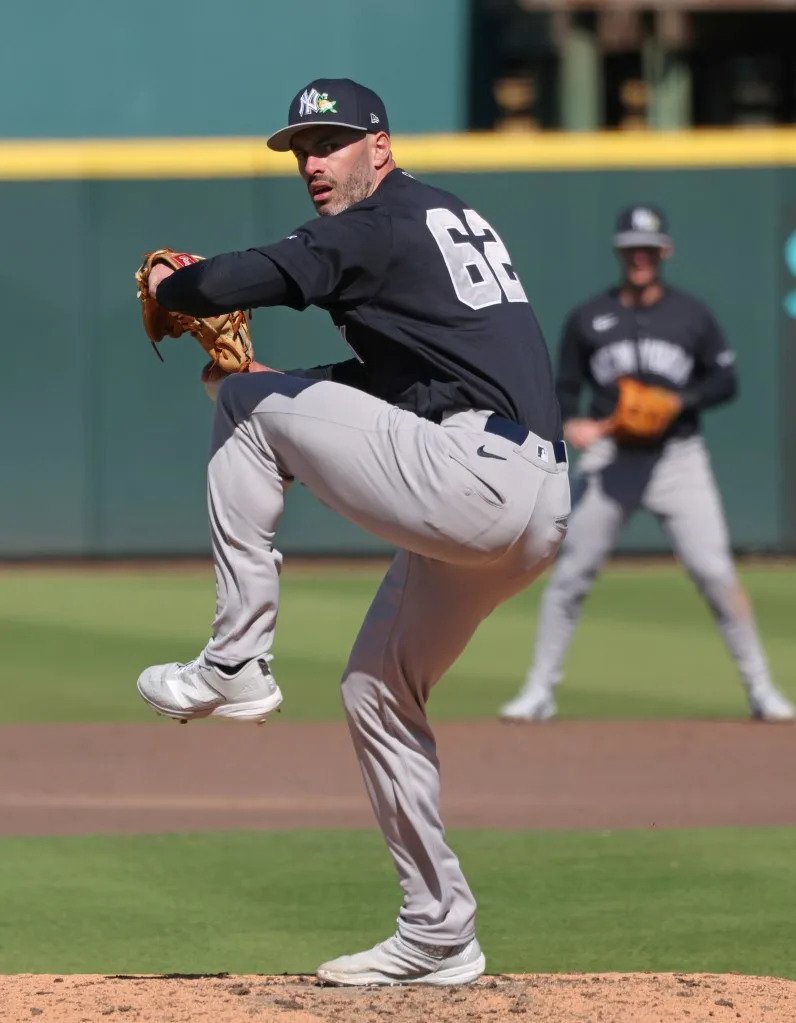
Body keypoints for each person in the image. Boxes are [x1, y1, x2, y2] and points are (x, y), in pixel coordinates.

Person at [136, 78, 570, 985]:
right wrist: (278, 380)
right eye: (301, 148)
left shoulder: (376, 221)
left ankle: (234, 660)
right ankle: (439, 929)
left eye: (329, 142)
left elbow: (261, 272)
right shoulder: (435, 220)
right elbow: (407, 380)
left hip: (478, 478)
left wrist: (183, 285)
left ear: (379, 144)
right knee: (376, 687)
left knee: (246, 403)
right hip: (529, 498)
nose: (313, 163)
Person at [499, 204, 794, 725]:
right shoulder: (590, 317)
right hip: (612, 461)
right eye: (632, 249)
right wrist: (573, 424)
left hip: (678, 460)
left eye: (649, 249)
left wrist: (680, 401)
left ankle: (762, 690)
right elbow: (563, 387)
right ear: (620, 252)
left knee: (715, 572)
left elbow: (725, 381)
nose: (640, 257)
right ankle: (539, 691)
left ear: (665, 252)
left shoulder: (692, 316)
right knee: (571, 575)